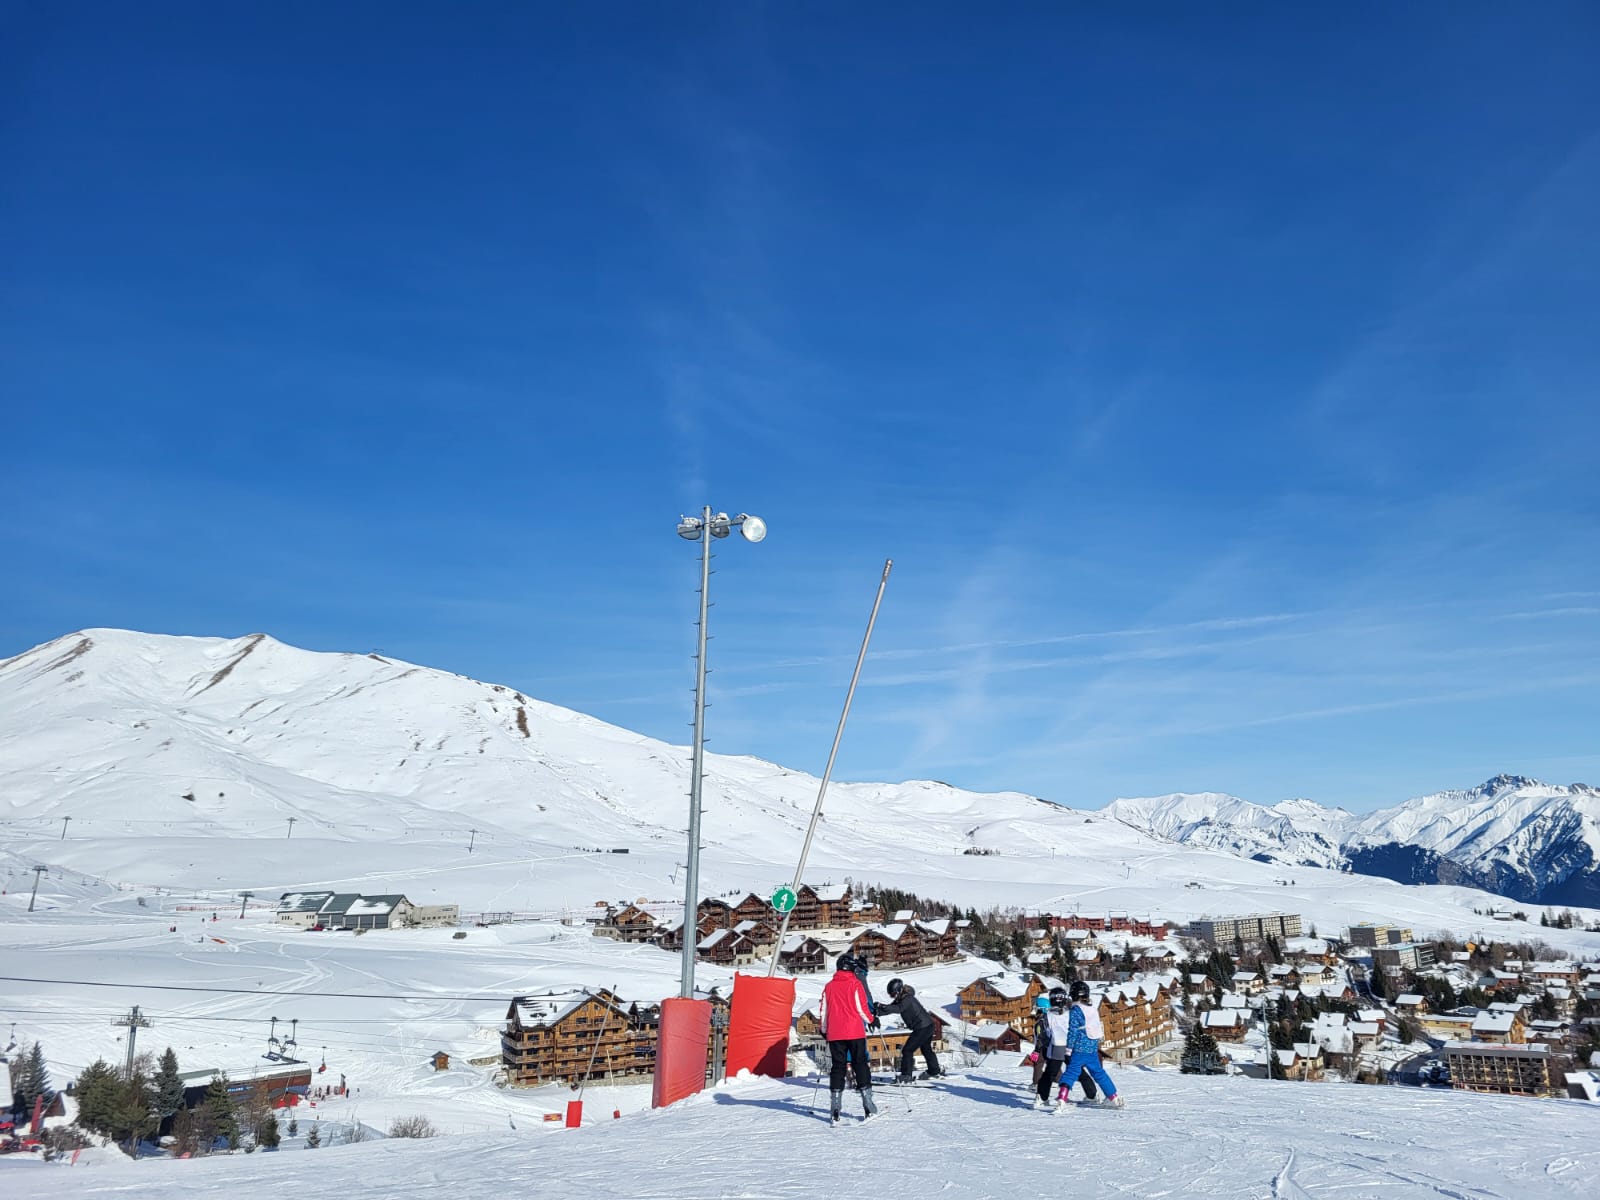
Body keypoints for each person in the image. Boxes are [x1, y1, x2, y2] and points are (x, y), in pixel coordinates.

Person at [820, 953, 879, 1123]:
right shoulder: (855, 984)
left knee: (838, 1067)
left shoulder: (829, 986)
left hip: (835, 1034)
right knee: (860, 1064)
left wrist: (824, 1029)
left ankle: (835, 1107)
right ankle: (868, 1104)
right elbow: (861, 1008)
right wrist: (872, 1019)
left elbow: (824, 1011)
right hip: (854, 1032)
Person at [1056, 980, 1123, 1109]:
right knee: (1099, 1073)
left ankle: (1062, 1098)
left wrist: (1068, 1049)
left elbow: (1072, 1031)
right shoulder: (1092, 1009)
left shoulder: (1076, 1010)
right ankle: (1113, 1097)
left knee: (1071, 1073)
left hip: (1079, 1049)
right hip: (1092, 1048)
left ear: (1073, 996)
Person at [877, 978, 943, 1083]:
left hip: (923, 1027)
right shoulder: (901, 998)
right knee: (926, 1049)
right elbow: (892, 1007)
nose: (892, 997)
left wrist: (882, 1006)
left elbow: (899, 1009)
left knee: (907, 1050)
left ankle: (906, 1076)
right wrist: (877, 1011)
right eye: (891, 995)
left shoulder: (908, 999)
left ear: (898, 991)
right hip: (927, 1025)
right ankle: (934, 1071)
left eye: (893, 994)